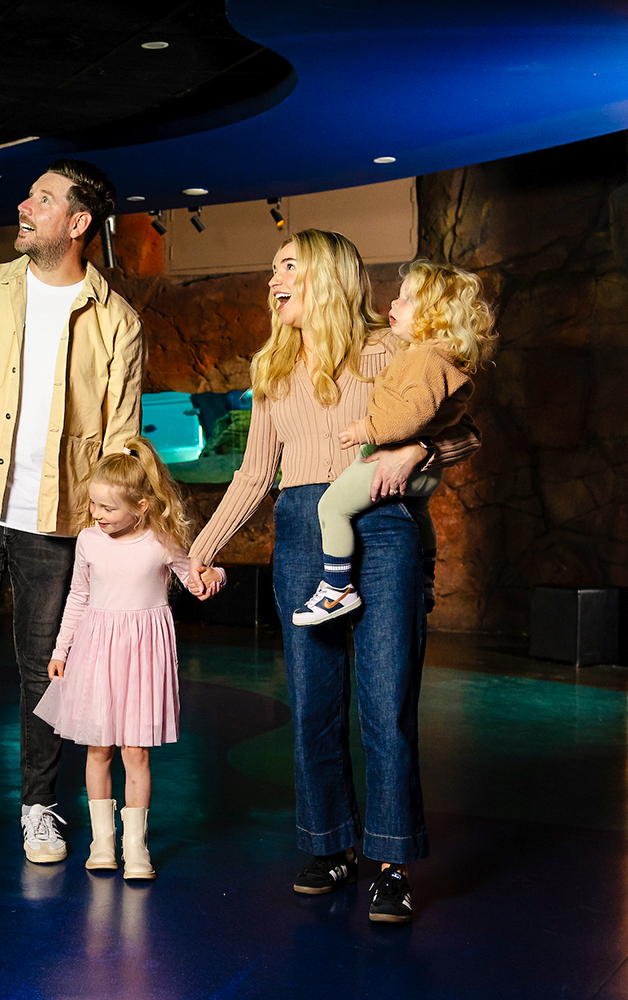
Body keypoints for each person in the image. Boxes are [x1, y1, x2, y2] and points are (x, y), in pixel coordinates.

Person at [188, 230, 481, 924]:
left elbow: (470, 434)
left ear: (326, 276)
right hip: (298, 534)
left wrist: (417, 450)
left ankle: (392, 862)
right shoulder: (273, 369)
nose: (272, 279)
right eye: (270, 267)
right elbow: (256, 473)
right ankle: (329, 846)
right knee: (314, 706)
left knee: (385, 705)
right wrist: (199, 551)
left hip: (383, 532)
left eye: (287, 265)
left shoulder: (391, 352)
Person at [0, 159, 151, 864]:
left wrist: (112, 534)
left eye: (41, 199)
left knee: (48, 668)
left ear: (77, 223)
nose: (23, 204)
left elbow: (119, 440)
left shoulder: (117, 322)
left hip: (59, 520)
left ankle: (39, 808)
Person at [34, 438, 221, 880]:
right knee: (98, 748)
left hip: (142, 657)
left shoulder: (162, 540)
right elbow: (78, 597)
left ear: (140, 505)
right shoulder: (88, 541)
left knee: (135, 752)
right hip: (96, 654)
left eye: (108, 508)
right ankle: (103, 843)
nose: (98, 515)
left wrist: (213, 576)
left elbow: (195, 574)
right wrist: (62, 651)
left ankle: (135, 847)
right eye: (94, 504)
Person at [295, 260, 496, 625]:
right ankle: (424, 580)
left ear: (433, 316)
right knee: (419, 515)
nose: (392, 304)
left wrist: (366, 430)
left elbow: (412, 416)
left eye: (404, 300)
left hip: (386, 457)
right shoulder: (437, 358)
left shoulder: (424, 359)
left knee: (332, 507)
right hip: (422, 473)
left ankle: (337, 588)